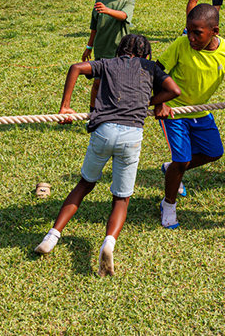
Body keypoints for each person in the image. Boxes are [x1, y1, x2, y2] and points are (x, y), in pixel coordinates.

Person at [35, 35, 180, 276]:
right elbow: (174, 90)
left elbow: (75, 68)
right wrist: (148, 102)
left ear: (119, 49)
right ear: (146, 55)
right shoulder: (150, 67)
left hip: (104, 132)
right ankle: (109, 242)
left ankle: (52, 236)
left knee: (85, 184)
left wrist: (65, 106)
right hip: (131, 136)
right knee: (121, 198)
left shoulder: (107, 64)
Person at [156, 4, 225, 229]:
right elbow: (156, 71)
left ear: (214, 31)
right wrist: (160, 102)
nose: (191, 38)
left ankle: (172, 168)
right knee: (182, 160)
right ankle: (168, 204)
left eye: (197, 33)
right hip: (174, 111)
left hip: (201, 110)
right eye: (188, 31)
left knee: (213, 152)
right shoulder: (181, 45)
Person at [82, 0, 135, 110]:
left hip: (120, 50)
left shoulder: (128, 0)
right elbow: (94, 26)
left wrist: (107, 10)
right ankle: (93, 112)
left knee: (119, 82)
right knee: (98, 82)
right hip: (102, 48)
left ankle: (117, 111)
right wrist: (89, 47)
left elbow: (123, 16)